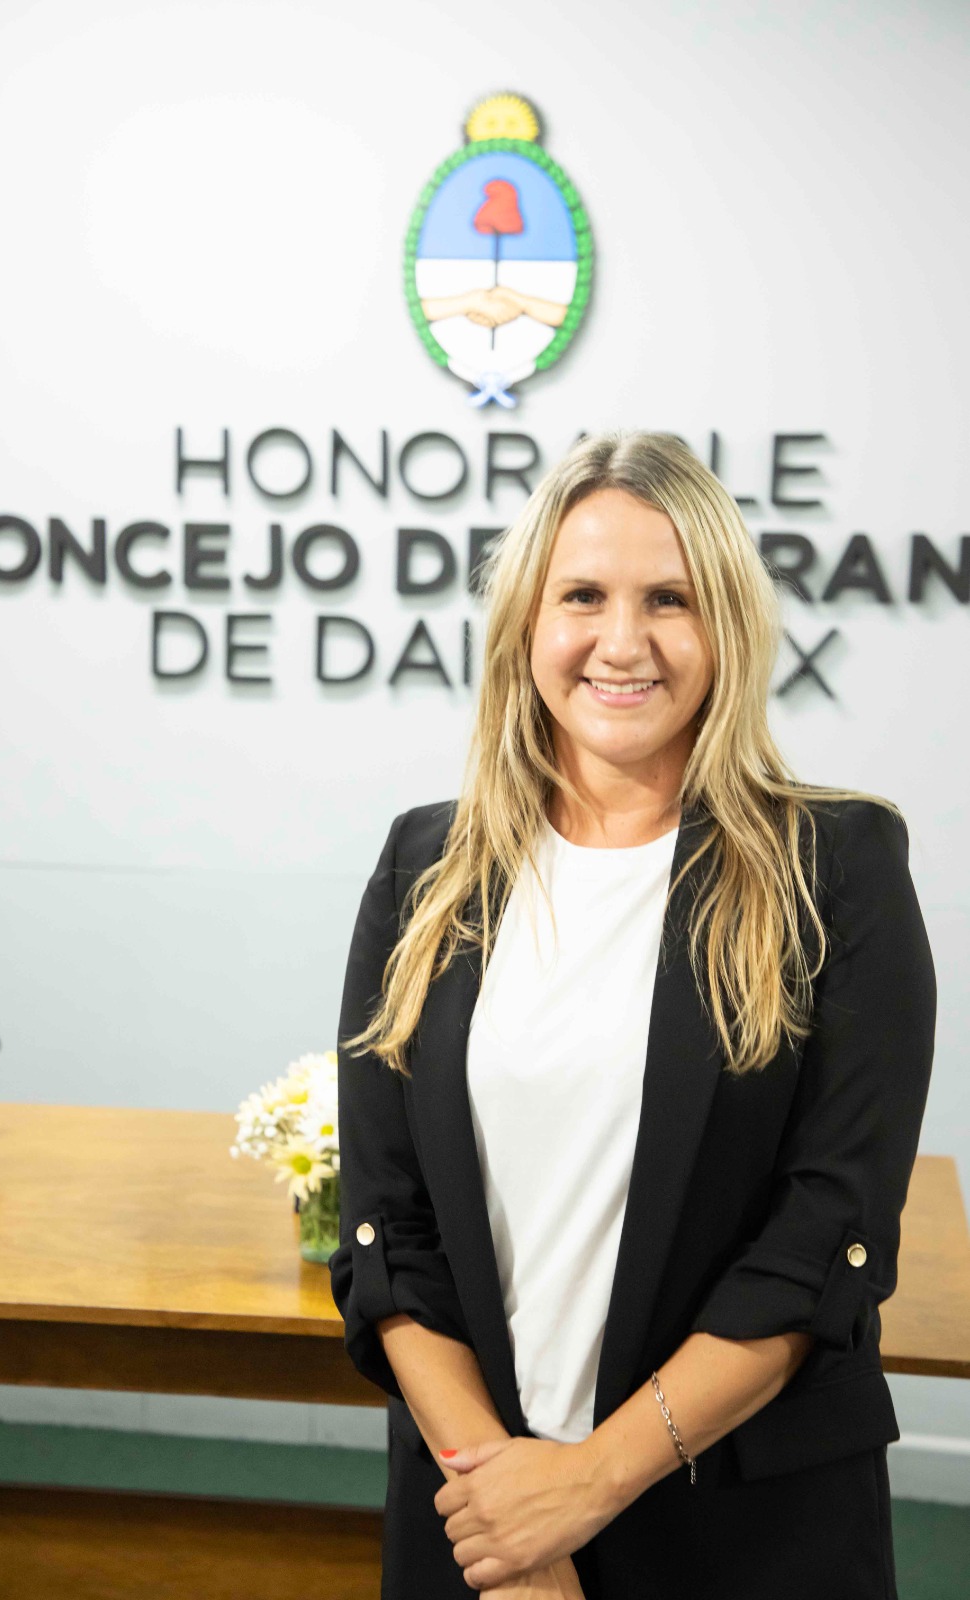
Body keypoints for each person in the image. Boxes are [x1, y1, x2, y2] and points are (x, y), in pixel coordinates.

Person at [328, 430, 936, 1600]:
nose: (623, 641)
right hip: (477, 1520)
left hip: (743, 1528)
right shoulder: (425, 867)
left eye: (669, 598)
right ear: (525, 622)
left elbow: (823, 1235)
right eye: (582, 596)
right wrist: (511, 1522)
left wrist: (586, 1485)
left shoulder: (836, 866)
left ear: (727, 625)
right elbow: (387, 1233)